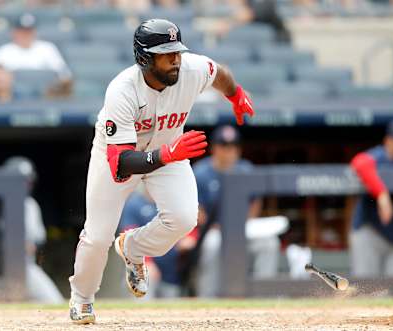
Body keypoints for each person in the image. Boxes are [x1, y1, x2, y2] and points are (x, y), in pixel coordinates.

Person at [68, 18, 254, 324]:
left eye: (177, 51)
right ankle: (82, 298)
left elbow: (219, 73)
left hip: (168, 151)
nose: (176, 59)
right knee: (98, 236)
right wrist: (168, 154)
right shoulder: (122, 90)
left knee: (184, 217)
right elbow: (121, 163)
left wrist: (235, 94)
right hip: (118, 156)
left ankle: (133, 247)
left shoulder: (191, 69)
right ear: (144, 58)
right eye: (166, 54)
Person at [191, 125, 280, 297]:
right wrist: (218, 227)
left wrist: (244, 224)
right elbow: (197, 210)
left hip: (242, 230)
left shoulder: (245, 169)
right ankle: (207, 298)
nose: (229, 151)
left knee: (269, 243)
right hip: (214, 230)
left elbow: (255, 202)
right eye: (224, 146)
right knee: (211, 246)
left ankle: (264, 298)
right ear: (214, 148)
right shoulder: (201, 172)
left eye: (233, 146)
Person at [350, 119, 393, 278]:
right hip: (370, 233)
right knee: (365, 288)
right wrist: (382, 195)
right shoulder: (379, 155)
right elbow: (359, 163)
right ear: (388, 141)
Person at [4, 156, 64, 304]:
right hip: (0, 267)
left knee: (53, 301)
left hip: (25, 265)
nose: (26, 184)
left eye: (27, 180)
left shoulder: (30, 205)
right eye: (21, 180)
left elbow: (37, 240)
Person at [118, 183, 186, 298]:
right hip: (147, 269)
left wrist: (190, 238)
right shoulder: (134, 204)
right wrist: (146, 262)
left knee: (173, 309)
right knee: (144, 277)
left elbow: (190, 224)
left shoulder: (174, 203)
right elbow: (129, 239)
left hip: (172, 271)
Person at [0, 13, 72, 97]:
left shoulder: (48, 48)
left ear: (35, 32)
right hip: (14, 98)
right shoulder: (2, 52)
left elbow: (64, 74)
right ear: (14, 32)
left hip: (45, 96)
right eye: (22, 30)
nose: (25, 34)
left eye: (29, 31)